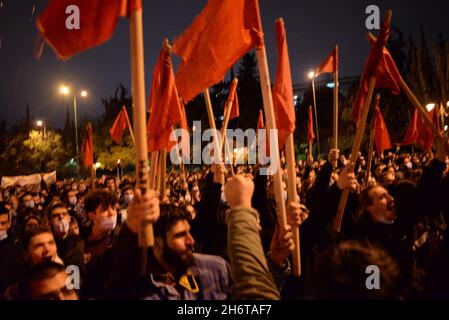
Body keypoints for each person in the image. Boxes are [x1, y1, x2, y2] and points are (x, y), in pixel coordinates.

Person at [109, 189, 231, 300]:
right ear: (157, 243)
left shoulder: (215, 268)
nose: (191, 241)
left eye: (189, 232)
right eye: (180, 235)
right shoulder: (140, 290)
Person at [46, 200, 84, 270]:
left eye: (64, 214)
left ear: (69, 218)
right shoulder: (47, 242)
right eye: (56, 216)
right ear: (49, 222)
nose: (61, 217)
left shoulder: (79, 240)